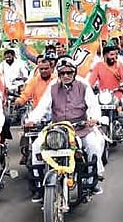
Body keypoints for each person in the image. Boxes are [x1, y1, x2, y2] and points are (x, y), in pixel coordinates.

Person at [25, 56, 105, 201]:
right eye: (62, 73)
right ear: (59, 74)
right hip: (58, 129)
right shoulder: (53, 86)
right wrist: (31, 120)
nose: (66, 76)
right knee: (37, 146)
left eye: (69, 72)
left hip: (80, 128)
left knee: (93, 145)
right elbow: (43, 106)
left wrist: (93, 118)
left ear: (74, 72)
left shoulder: (83, 85)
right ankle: (38, 185)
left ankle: (92, 180)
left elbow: (93, 106)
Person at [89, 46, 123, 116]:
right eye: (111, 55)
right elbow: (91, 80)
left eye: (115, 55)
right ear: (105, 55)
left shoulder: (119, 65)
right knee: (91, 105)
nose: (114, 57)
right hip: (102, 95)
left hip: (117, 94)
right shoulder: (98, 65)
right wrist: (89, 87)